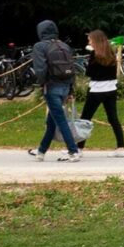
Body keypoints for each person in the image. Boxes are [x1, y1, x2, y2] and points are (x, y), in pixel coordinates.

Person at [24, 20, 81, 162]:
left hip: (51, 86)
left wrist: (42, 84)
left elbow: (40, 69)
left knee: (60, 120)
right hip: (65, 86)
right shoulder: (64, 45)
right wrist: (71, 89)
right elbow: (72, 68)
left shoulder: (40, 46)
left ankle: (73, 151)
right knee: (52, 121)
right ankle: (41, 151)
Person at [80, 30, 124, 156]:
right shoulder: (111, 52)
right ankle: (121, 147)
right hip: (111, 89)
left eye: (90, 40)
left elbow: (89, 73)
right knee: (113, 118)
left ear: (95, 41)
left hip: (96, 90)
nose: (89, 42)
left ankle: (78, 148)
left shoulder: (94, 55)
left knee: (85, 119)